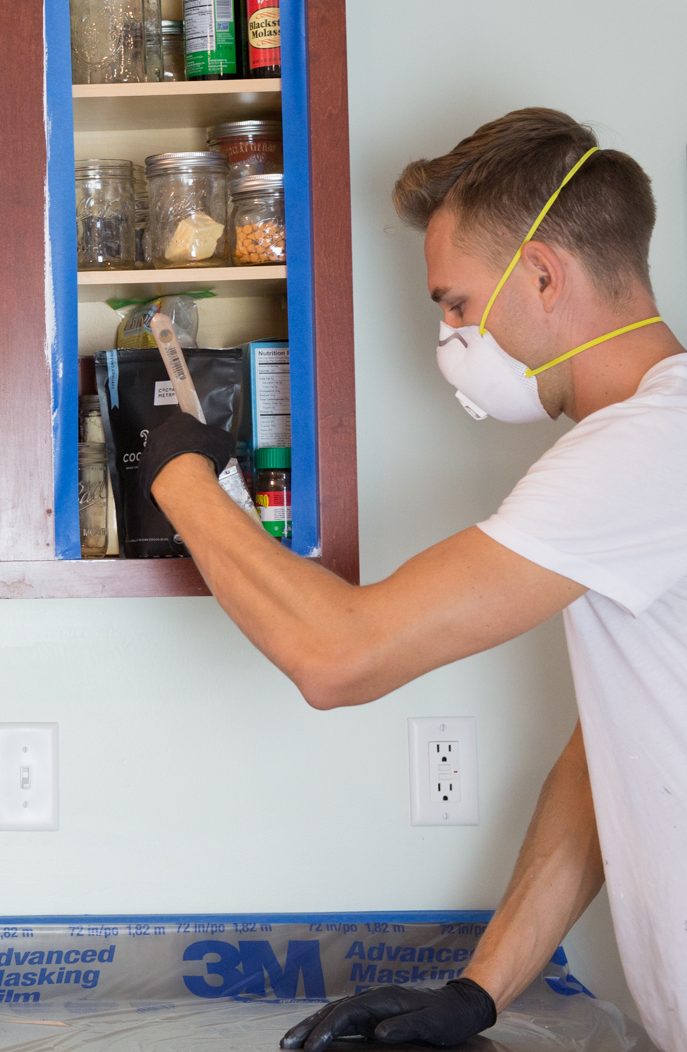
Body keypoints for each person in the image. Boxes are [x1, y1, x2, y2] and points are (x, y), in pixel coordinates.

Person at [140, 109, 683, 1051]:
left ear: (546, 275)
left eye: (457, 303)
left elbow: (339, 656)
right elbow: (608, 762)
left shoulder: (644, 447)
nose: (449, 335)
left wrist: (181, 479)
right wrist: (479, 992)